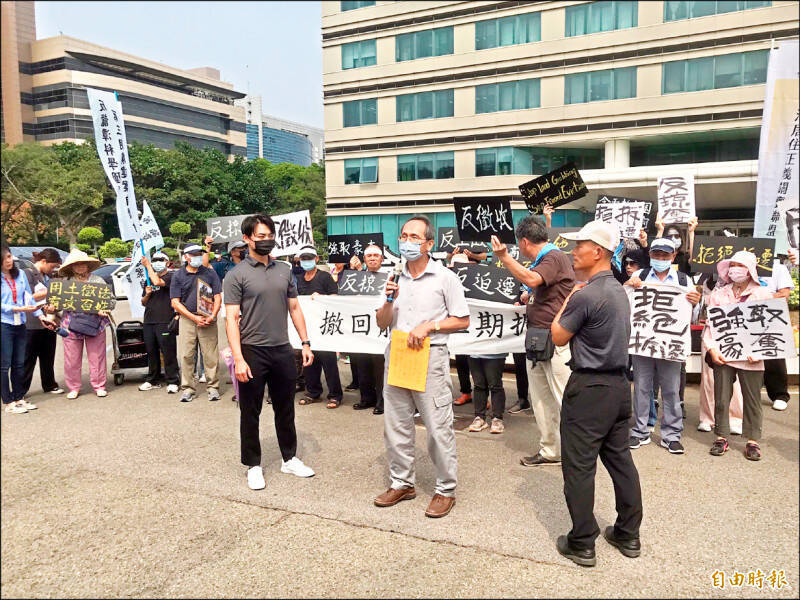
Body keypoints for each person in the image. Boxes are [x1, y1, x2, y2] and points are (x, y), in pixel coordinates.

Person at [550, 220, 643, 567]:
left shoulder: (586, 293)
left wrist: (569, 298)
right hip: (619, 386)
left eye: (579, 246)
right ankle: (628, 533)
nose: (573, 252)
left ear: (598, 252)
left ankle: (582, 541)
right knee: (620, 460)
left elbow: (558, 336)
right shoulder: (618, 289)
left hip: (589, 387)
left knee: (579, 465)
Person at [374, 215, 470, 519]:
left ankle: (445, 489)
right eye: (403, 235)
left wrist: (431, 325)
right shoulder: (394, 277)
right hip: (398, 354)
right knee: (396, 424)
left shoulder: (445, 278)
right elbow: (381, 321)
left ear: (429, 243)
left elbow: (463, 319)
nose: (407, 242)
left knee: (437, 426)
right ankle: (402, 482)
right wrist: (388, 301)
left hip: (431, 358)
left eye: (414, 237)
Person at [224, 214, 316, 490]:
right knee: (250, 411)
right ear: (247, 239)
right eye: (260, 236)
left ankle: (289, 458)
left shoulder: (285, 270)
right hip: (252, 351)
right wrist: (238, 359)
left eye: (269, 235)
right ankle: (253, 465)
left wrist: (305, 342)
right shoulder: (236, 275)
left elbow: (295, 308)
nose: (266, 241)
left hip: (281, 349)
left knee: (285, 408)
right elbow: (231, 319)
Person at [491, 214, 575, 467]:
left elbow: (531, 279)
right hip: (539, 339)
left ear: (524, 242)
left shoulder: (553, 257)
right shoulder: (548, 258)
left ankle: (575, 453)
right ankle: (551, 451)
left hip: (556, 340)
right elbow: (536, 285)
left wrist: (504, 257)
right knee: (541, 399)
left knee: (563, 398)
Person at [624, 238, 701, 454]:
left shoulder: (685, 279)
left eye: (665, 255)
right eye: (656, 254)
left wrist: (696, 302)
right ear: (650, 255)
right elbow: (624, 304)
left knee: (671, 390)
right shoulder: (638, 276)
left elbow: (692, 315)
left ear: (673, 256)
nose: (660, 259)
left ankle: (671, 434)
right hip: (643, 343)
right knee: (641, 387)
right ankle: (640, 431)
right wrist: (628, 286)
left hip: (670, 344)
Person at [705, 251, 773, 461]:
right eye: (732, 264)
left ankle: (752, 440)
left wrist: (761, 351)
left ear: (750, 269)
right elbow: (711, 325)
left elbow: (770, 328)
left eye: (740, 265)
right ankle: (721, 436)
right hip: (724, 354)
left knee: (752, 399)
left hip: (752, 357)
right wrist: (711, 349)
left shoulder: (763, 294)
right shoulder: (719, 294)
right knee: (722, 397)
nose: (735, 269)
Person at [170, 243, 222, 402]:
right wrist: (194, 318)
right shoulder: (178, 275)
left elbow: (218, 296)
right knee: (187, 354)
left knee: (210, 355)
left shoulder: (210, 273)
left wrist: (212, 315)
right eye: (193, 255)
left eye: (199, 254)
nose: (197, 257)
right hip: (187, 319)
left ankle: (213, 387)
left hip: (208, 318)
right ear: (186, 257)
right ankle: (188, 388)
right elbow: (175, 302)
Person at [57, 248, 111, 400]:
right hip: (70, 324)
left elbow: (109, 300)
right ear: (71, 267)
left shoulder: (98, 281)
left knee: (97, 357)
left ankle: (99, 385)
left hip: (95, 324)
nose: (80, 267)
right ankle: (73, 387)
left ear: (88, 265)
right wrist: (51, 307)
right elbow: (58, 303)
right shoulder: (66, 283)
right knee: (71, 359)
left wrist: (103, 308)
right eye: (77, 264)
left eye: (83, 264)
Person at [295, 245, 344, 409]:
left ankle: (335, 395)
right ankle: (313, 392)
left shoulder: (324, 277)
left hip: (325, 326)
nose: (306, 261)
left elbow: (335, 298)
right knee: (309, 361)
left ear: (316, 259)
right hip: (307, 327)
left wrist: (322, 297)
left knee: (328, 362)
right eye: (303, 259)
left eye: (309, 258)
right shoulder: (300, 278)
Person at [2, 245, 47, 413]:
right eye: (6, 257)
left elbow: (28, 298)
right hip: (4, 324)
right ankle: (8, 402)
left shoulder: (20, 274)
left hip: (20, 324)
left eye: (10, 256)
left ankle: (19, 397)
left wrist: (40, 316)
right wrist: (16, 309)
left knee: (19, 363)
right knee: (5, 365)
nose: (10, 260)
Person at [349, 244, 387, 414]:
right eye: (369, 256)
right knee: (362, 365)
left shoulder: (389, 277)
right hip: (361, 328)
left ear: (382, 259)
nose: (372, 258)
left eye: (375, 255)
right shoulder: (356, 278)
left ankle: (382, 401)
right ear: (364, 259)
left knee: (380, 367)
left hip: (380, 330)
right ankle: (366, 398)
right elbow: (344, 299)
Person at [21, 248, 64, 398]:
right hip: (31, 322)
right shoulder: (26, 273)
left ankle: (49, 384)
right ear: (44, 261)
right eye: (52, 266)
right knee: (28, 358)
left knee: (48, 355)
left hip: (49, 320)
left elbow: (53, 297)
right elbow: (26, 297)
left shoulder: (48, 277)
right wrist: (50, 291)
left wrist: (53, 305)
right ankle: (20, 390)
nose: (53, 270)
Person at [449, 245, 485, 407]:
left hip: (477, 328)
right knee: (461, 361)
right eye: (455, 266)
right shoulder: (448, 282)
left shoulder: (480, 280)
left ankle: (483, 396)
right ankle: (466, 392)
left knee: (478, 362)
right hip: (458, 328)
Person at [138, 252, 179, 393]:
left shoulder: (172, 277)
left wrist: (148, 265)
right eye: (154, 260)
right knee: (151, 351)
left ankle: (173, 380)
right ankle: (152, 379)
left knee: (168, 351)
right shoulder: (148, 279)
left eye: (160, 260)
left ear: (168, 263)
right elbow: (143, 302)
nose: (157, 262)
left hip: (165, 319)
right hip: (149, 320)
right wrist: (148, 294)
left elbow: (158, 282)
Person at [761, 249, 796, 411]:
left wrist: (760, 297)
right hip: (745, 318)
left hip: (771, 317)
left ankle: (780, 394)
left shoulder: (778, 268)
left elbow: (784, 294)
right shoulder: (741, 267)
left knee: (773, 357)